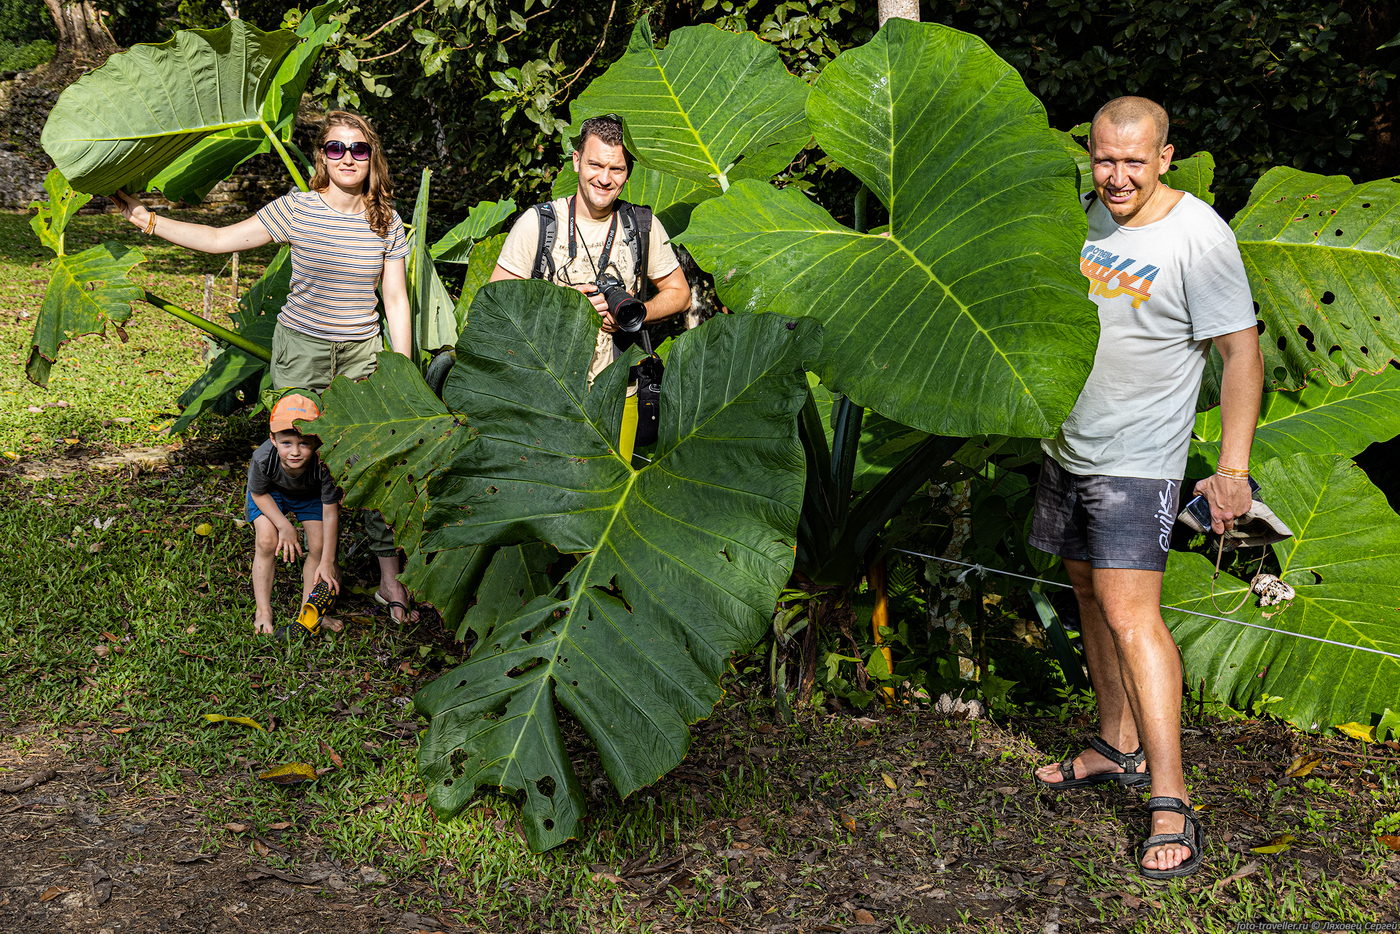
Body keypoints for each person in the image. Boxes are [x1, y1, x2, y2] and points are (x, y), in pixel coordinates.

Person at [1028, 97, 1263, 879]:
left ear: (1165, 157)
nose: (1117, 176)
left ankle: (1171, 798)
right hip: (1069, 444)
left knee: (1135, 616)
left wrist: (1231, 470)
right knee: (1090, 593)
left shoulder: (1199, 235)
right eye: (1104, 159)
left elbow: (1240, 354)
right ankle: (1116, 743)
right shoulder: (1084, 218)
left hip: (1140, 455)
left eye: (1134, 161)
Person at [113, 111, 418, 623]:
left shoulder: (386, 220)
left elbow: (395, 298)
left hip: (361, 353)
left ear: (373, 157)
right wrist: (148, 220)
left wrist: (402, 371)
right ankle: (310, 566)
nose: (348, 158)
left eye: (359, 149)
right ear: (322, 156)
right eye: (336, 148)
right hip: (302, 349)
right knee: (297, 455)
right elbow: (219, 239)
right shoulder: (297, 209)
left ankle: (389, 581)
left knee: (371, 463)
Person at [489, 113, 691, 458]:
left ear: (628, 173)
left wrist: (640, 311)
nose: (604, 179)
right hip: (551, 390)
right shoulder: (538, 224)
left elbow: (680, 293)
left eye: (617, 169)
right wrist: (563, 304)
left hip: (622, 390)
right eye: (595, 165)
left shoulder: (641, 224)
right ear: (576, 161)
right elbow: (496, 305)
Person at [246, 393, 341, 636]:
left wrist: (327, 562)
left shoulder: (326, 463)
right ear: (273, 439)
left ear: (317, 442)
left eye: (304, 443)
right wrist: (284, 527)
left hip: (308, 495)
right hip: (270, 494)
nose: (295, 451)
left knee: (318, 546)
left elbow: (331, 512)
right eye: (287, 443)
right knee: (267, 540)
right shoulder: (263, 457)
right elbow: (258, 494)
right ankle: (263, 610)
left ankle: (309, 613)